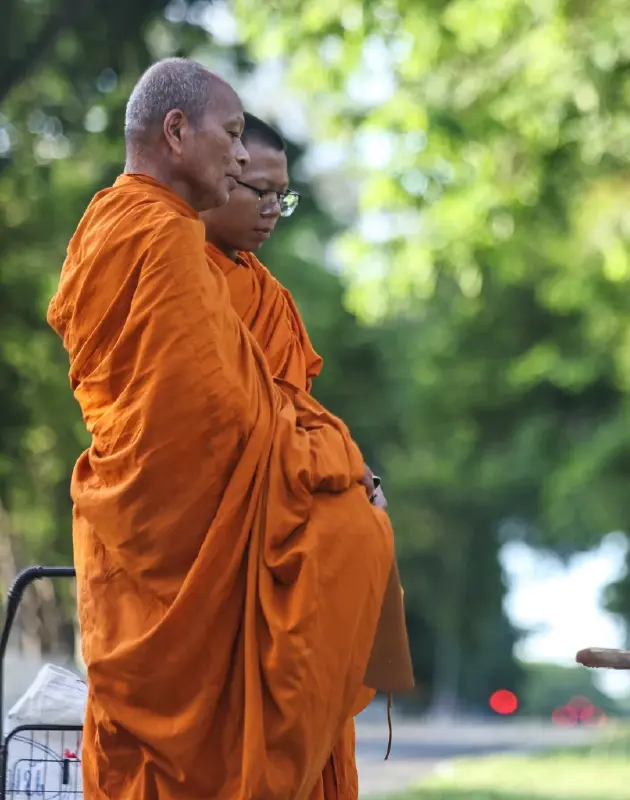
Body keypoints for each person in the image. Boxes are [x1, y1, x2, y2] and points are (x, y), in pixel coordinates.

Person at [46, 57, 400, 798]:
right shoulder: (153, 236)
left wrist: (323, 454)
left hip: (206, 545)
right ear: (176, 132)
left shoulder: (155, 240)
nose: (242, 158)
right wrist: (332, 461)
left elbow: (250, 406)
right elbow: (214, 421)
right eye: (234, 139)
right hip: (168, 543)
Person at [199, 112, 406, 798]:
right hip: (210, 536)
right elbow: (211, 420)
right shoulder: (177, 278)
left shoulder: (269, 298)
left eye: (280, 197)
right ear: (213, 174)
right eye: (256, 191)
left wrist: (349, 470)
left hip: (276, 522)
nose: (271, 212)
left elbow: (290, 411)